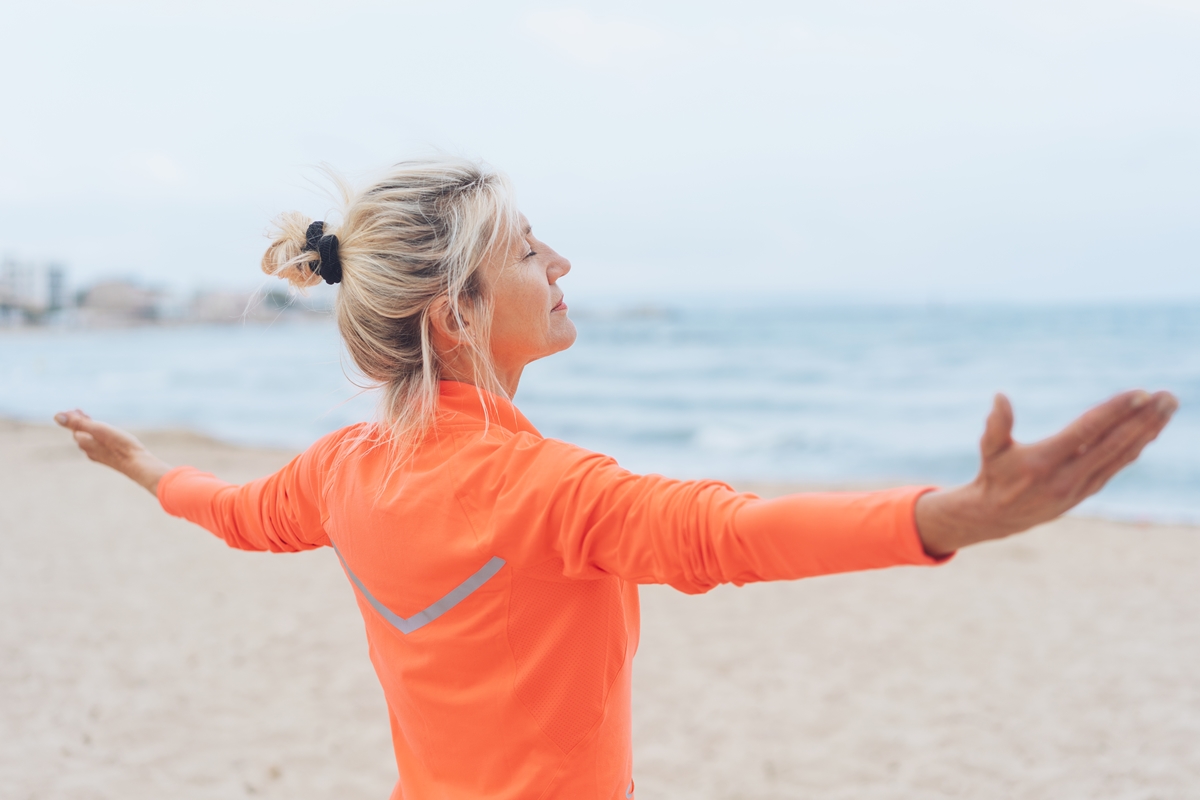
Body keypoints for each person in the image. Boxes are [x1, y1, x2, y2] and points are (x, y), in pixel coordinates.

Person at [55, 158, 1176, 800]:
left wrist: (143, 464)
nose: (563, 263)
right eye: (532, 249)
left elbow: (233, 513)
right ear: (457, 316)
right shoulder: (543, 491)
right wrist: (952, 517)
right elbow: (735, 535)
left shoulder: (340, 473)